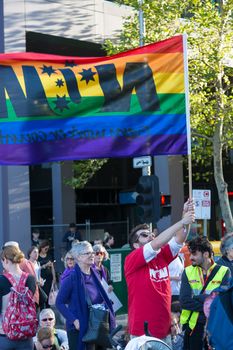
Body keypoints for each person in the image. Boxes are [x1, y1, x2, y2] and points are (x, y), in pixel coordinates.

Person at [124, 199, 195, 346]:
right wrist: (182, 221)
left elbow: (179, 239)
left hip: (164, 329)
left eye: (151, 233)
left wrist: (185, 216)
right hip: (142, 331)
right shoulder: (132, 258)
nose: (150, 236)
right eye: (144, 235)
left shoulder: (161, 256)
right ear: (136, 244)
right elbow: (157, 243)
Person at [56, 241, 116, 350]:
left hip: (97, 325)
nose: (92, 255)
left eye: (92, 252)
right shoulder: (71, 278)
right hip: (79, 327)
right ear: (78, 257)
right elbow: (59, 302)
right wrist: (74, 320)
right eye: (87, 253)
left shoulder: (95, 274)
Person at [180, 236, 231, 350]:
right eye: (190, 254)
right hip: (193, 328)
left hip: (215, 328)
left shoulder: (224, 271)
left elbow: (222, 303)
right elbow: (184, 301)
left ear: (206, 254)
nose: (191, 257)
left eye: (194, 254)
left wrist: (198, 298)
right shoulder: (187, 271)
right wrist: (209, 302)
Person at [0, 244, 36, 350]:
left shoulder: (1, 281)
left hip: (5, 334)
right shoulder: (31, 279)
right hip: (26, 333)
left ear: (5, 260)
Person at [38, 240, 56, 308]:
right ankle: (42, 312)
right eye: (45, 248)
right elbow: (37, 268)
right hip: (41, 278)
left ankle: (49, 310)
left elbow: (52, 267)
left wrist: (54, 277)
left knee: (49, 295)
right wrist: (45, 265)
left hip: (49, 277)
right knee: (42, 296)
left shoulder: (49, 256)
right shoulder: (38, 257)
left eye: (48, 249)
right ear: (41, 248)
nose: (46, 250)